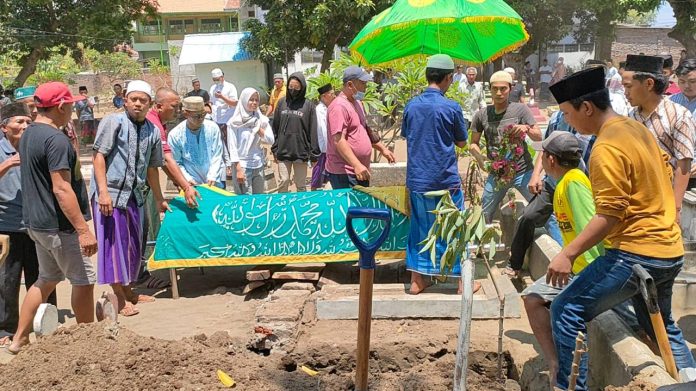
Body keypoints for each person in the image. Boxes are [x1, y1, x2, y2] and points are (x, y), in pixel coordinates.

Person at [547, 67, 696, 390]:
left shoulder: (606, 147)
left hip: (635, 253)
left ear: (587, 108)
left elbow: (610, 215)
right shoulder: (635, 128)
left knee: (566, 309)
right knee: (662, 326)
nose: (568, 122)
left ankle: (569, 386)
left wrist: (567, 253)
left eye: (568, 114)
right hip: (668, 249)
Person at [10, 82, 98, 354]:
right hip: (60, 225)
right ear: (61, 106)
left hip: (37, 223)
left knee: (46, 279)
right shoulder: (55, 139)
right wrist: (83, 230)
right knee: (84, 279)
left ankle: (19, 338)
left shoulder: (29, 134)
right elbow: (61, 187)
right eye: (70, 104)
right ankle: (89, 341)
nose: (73, 108)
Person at [521, 132, 602, 388]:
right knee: (533, 298)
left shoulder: (574, 183)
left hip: (588, 269)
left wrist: (580, 266)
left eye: (542, 154)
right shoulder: (562, 183)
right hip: (575, 268)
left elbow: (591, 226)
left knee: (561, 309)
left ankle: (570, 376)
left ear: (551, 159)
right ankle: (556, 363)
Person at [91, 80, 168, 317]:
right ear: (125, 99)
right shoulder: (113, 122)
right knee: (114, 246)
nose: (137, 104)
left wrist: (159, 198)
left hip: (135, 196)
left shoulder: (153, 131)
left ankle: (130, 292)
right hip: (111, 195)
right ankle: (120, 299)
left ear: (150, 104)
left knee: (132, 247)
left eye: (142, 100)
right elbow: (99, 156)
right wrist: (103, 192)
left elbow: (153, 168)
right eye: (133, 99)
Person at [402, 54, 471, 295]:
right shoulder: (451, 107)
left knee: (420, 228)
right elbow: (462, 142)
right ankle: (462, 281)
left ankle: (417, 281)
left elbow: (408, 136)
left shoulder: (411, 105)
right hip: (445, 180)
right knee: (454, 226)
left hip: (418, 180)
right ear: (449, 78)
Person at [0, 103, 57, 346]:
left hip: (38, 225)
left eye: (27, 121)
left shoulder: (36, 145)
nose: (24, 126)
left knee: (44, 277)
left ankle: (48, 324)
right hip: (7, 228)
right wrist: (8, 164)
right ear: (4, 128)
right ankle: (6, 330)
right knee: (6, 282)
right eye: (18, 122)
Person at [470, 70, 542, 223]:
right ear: (490, 90)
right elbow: (473, 144)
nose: (499, 92)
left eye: (503, 88)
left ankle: (559, 245)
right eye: (495, 88)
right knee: (483, 214)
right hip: (497, 174)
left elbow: (539, 135)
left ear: (510, 88)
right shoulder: (482, 115)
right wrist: (480, 159)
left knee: (543, 209)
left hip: (523, 171)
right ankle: (481, 244)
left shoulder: (520, 110)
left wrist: (526, 128)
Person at [623, 54, 695, 205]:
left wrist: (675, 207)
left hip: (670, 193)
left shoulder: (678, 115)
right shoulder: (631, 117)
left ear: (649, 84)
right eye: (682, 81)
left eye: (629, 86)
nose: (625, 92)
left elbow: (684, 163)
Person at [325, 66, 396, 189]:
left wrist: (382, 149)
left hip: (360, 170)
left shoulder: (357, 103)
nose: (365, 87)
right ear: (350, 84)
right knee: (351, 207)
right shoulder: (338, 107)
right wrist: (356, 164)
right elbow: (338, 140)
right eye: (362, 83)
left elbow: (363, 130)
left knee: (361, 207)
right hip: (345, 172)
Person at [271, 72, 319, 192]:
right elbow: (275, 127)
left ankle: (300, 209)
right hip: (283, 150)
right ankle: (283, 207)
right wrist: (274, 148)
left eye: (296, 87)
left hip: (300, 152)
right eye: (291, 87)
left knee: (301, 185)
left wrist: (314, 154)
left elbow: (313, 130)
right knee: (284, 181)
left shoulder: (308, 106)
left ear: (302, 88)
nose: (293, 90)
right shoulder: (282, 103)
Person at [169, 97, 225, 189]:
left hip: (213, 182)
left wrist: (213, 175)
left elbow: (217, 154)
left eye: (203, 115)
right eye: (196, 116)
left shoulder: (212, 128)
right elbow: (177, 162)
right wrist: (187, 179)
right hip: (191, 184)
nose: (201, 119)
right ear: (186, 114)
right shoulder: (175, 135)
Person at [227, 88, 274, 195]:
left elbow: (271, 140)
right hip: (242, 166)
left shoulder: (261, 120)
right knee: (245, 199)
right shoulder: (234, 123)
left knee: (258, 199)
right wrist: (238, 169)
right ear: (243, 100)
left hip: (258, 164)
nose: (254, 103)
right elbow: (232, 147)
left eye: (256, 100)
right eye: (251, 100)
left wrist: (258, 128)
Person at [209, 68, 238, 168]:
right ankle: (225, 164)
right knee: (219, 142)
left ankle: (233, 163)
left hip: (228, 119)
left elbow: (234, 103)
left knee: (229, 142)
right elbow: (212, 102)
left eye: (217, 79)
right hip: (216, 119)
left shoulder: (230, 87)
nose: (216, 81)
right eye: (214, 79)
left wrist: (222, 97)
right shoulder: (213, 88)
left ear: (222, 77)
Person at [311, 83, 335, 191]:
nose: (334, 96)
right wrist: (330, 147)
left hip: (328, 148)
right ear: (324, 96)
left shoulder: (329, 108)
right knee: (318, 175)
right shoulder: (319, 110)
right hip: (323, 148)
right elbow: (323, 130)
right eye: (331, 94)